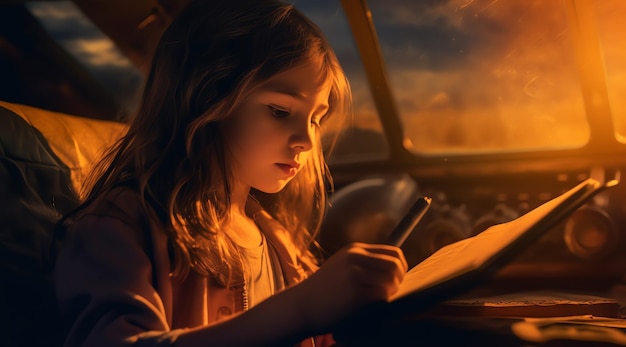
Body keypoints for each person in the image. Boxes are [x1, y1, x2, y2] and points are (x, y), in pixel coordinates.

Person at [53, 0, 408, 346]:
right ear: (206, 99)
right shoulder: (123, 227)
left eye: (317, 119)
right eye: (280, 111)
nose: (307, 141)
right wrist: (301, 307)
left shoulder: (279, 243)